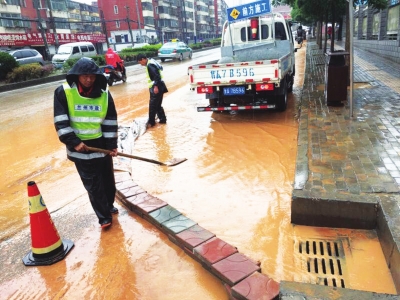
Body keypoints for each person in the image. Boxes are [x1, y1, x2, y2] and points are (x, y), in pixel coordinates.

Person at [53, 57, 119, 229]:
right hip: (80, 148)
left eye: (92, 76)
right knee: (93, 184)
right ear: (77, 76)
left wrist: (112, 144)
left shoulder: (104, 93)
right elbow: (61, 121)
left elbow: (110, 120)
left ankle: (109, 205)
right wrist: (74, 142)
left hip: (101, 145)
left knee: (107, 181)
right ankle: (104, 217)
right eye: (84, 76)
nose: (88, 79)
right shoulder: (63, 92)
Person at [136, 53, 168, 127]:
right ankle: (163, 120)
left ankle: (151, 123)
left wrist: (155, 87)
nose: (140, 64)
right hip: (160, 85)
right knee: (158, 105)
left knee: (152, 106)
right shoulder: (151, 62)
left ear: (143, 59)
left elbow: (157, 76)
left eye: (140, 62)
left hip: (156, 87)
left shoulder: (150, 65)